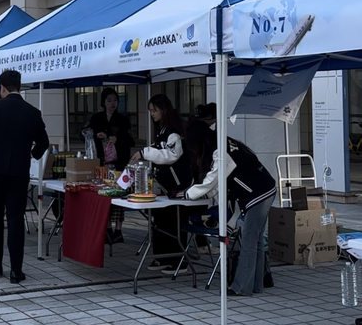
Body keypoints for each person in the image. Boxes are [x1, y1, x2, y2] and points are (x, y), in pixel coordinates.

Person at [0, 70, 49, 284]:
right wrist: (30, 155)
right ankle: (16, 270)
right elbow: (43, 143)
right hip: (18, 172)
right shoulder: (33, 112)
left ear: (2, 88)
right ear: (20, 87)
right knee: (15, 219)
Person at [181, 120, 277, 296]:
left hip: (257, 195)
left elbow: (213, 179)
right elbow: (220, 182)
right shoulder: (226, 143)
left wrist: (189, 193)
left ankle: (241, 288)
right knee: (254, 241)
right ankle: (255, 285)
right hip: (264, 190)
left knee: (249, 242)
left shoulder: (221, 152)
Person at [129, 94, 195, 275]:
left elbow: (172, 155)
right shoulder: (162, 129)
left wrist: (145, 152)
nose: (151, 114)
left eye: (154, 110)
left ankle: (178, 261)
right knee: (160, 221)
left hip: (177, 185)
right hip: (165, 186)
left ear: (163, 109)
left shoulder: (173, 131)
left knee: (174, 222)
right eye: (150, 111)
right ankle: (162, 258)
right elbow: (159, 150)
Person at [84, 87, 134, 243]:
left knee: (118, 194)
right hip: (101, 162)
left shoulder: (123, 120)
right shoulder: (97, 118)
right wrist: (94, 135)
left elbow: (130, 140)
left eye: (115, 100)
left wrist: (116, 139)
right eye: (109, 100)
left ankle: (118, 230)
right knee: (103, 195)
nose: (113, 103)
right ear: (103, 102)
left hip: (119, 163)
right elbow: (84, 132)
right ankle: (106, 228)